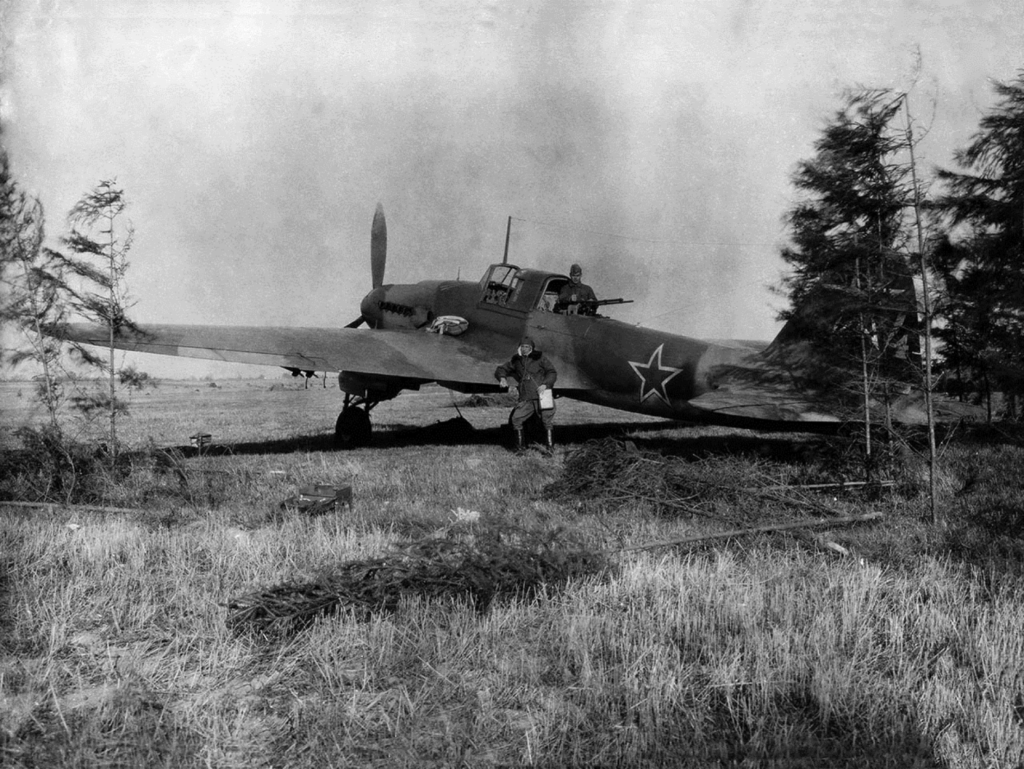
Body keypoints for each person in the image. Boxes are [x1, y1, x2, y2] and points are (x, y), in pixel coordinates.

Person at [495, 336, 557, 452]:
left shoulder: (540, 358)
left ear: (532, 348)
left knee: (546, 421)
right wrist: (502, 378)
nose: (525, 349)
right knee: (516, 419)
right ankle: (520, 449)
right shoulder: (516, 361)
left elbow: (551, 372)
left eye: (527, 347)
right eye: (522, 347)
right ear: (520, 348)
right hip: (526, 398)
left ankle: (550, 449)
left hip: (542, 396)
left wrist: (545, 384)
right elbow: (501, 369)